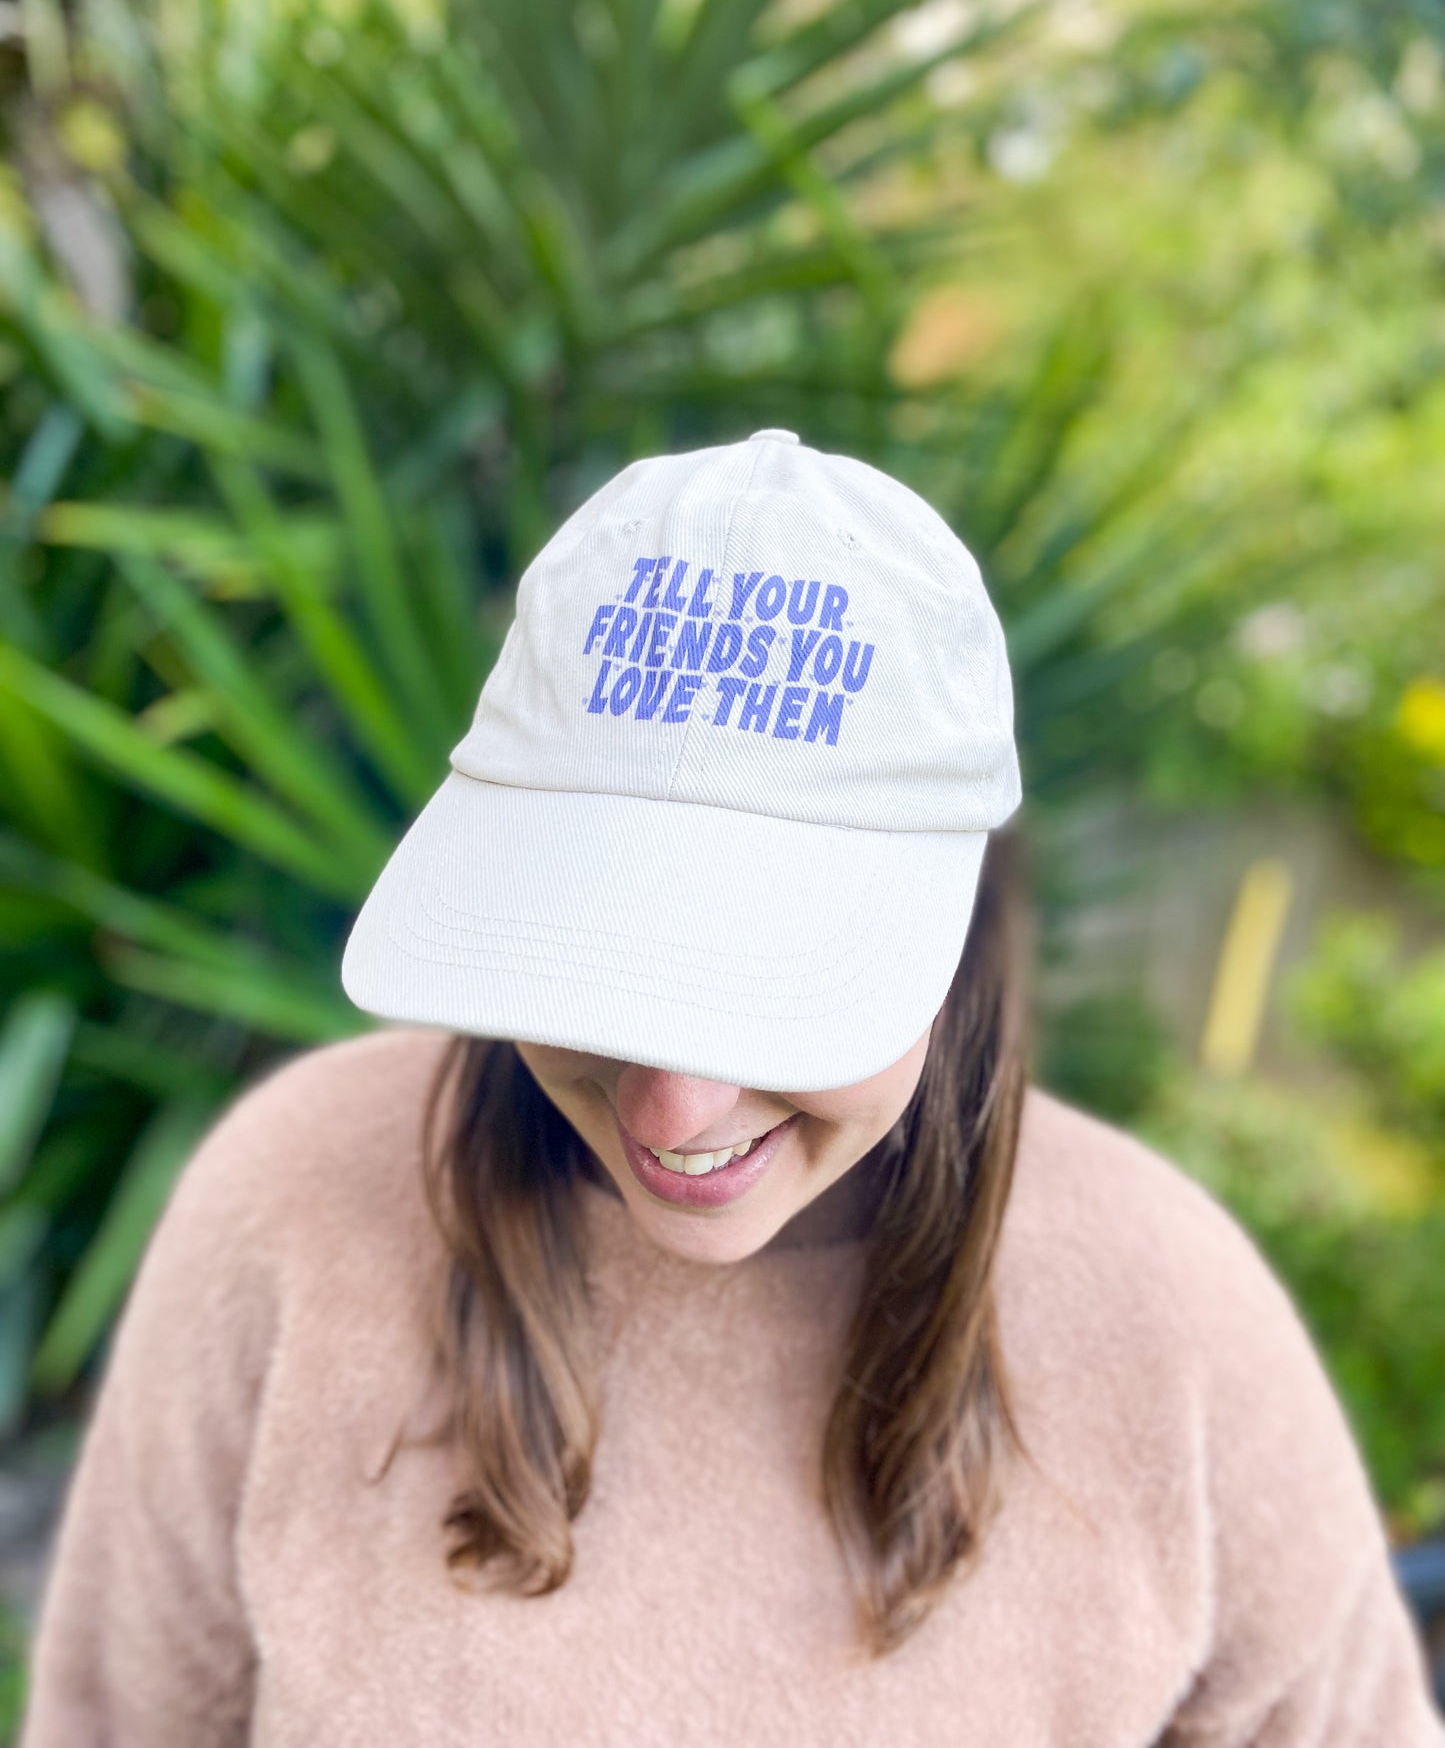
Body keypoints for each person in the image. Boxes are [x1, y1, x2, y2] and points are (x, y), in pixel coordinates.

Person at [19, 430, 1443, 1747]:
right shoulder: (289, 1211)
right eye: (593, 966)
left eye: (769, 989)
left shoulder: (1169, 1324)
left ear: (955, 927)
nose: (671, 1115)